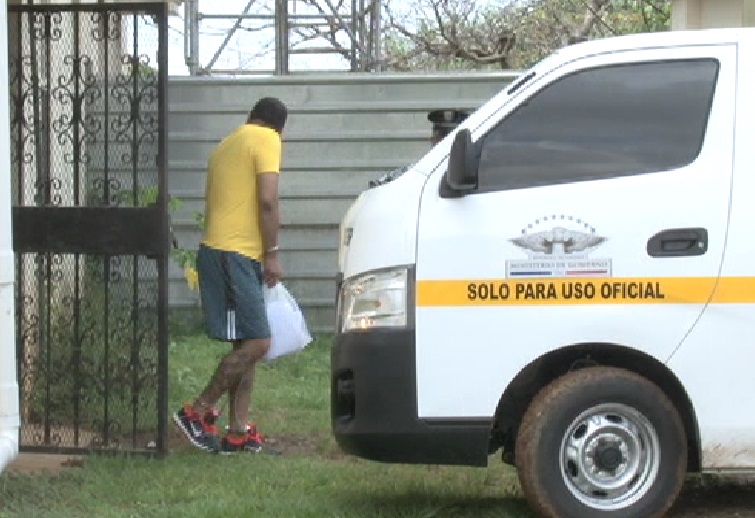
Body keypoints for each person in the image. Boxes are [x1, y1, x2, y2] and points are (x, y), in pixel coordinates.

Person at [173, 97, 288, 454]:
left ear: (249, 117)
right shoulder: (267, 138)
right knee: (259, 343)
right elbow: (267, 200)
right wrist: (272, 253)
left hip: (221, 251)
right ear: (278, 127)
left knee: (246, 342)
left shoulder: (225, 145)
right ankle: (198, 410)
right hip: (235, 254)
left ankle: (238, 431)